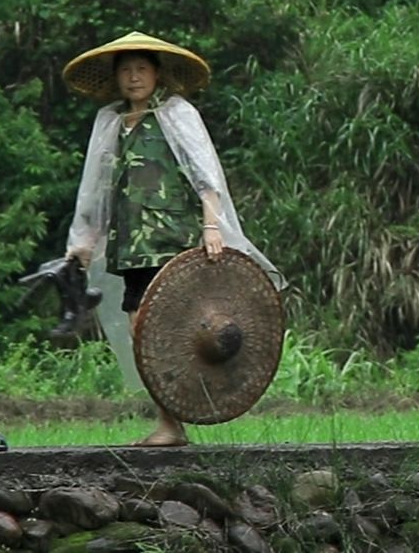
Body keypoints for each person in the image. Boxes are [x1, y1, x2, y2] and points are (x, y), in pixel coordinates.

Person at [62, 31, 283, 446]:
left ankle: (181, 417)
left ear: (157, 73)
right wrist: (85, 241)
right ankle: (170, 422)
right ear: (116, 77)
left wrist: (211, 226)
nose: (133, 78)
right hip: (132, 245)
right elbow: (97, 190)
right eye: (126, 70)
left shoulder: (176, 114)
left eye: (141, 69)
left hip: (175, 239)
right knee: (142, 331)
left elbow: (206, 178)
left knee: (183, 328)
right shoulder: (110, 122)